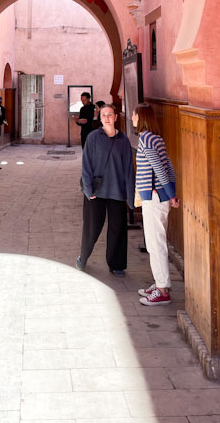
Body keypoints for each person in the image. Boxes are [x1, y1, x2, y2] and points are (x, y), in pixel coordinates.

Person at [76, 104, 135, 276]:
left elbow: (128, 169)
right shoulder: (93, 138)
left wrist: (130, 198)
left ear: (116, 117)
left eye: (110, 114)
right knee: (92, 227)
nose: (107, 117)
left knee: (117, 228)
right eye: (104, 115)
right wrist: (88, 190)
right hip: (96, 191)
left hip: (117, 190)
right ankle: (83, 256)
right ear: (100, 118)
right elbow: (86, 166)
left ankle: (116, 264)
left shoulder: (123, 140)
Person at [132, 103, 180, 306]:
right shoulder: (156, 137)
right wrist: (172, 192)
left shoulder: (146, 138)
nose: (133, 118)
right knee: (155, 243)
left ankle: (162, 291)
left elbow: (159, 168)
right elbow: (168, 165)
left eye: (134, 115)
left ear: (141, 117)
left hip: (154, 197)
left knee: (155, 244)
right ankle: (161, 284)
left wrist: (170, 194)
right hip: (158, 196)